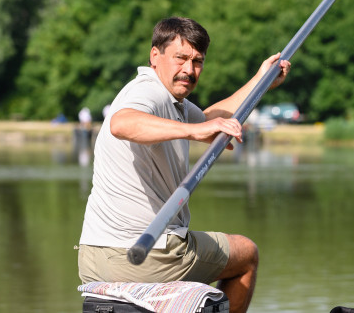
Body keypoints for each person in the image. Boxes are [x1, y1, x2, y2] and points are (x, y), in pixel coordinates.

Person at [77, 17, 291, 313]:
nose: (189, 70)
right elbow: (122, 123)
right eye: (181, 58)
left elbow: (212, 119)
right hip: (147, 255)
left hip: (92, 256)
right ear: (155, 56)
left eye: (197, 61)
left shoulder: (172, 103)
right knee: (246, 255)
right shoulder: (146, 91)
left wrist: (261, 81)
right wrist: (193, 132)